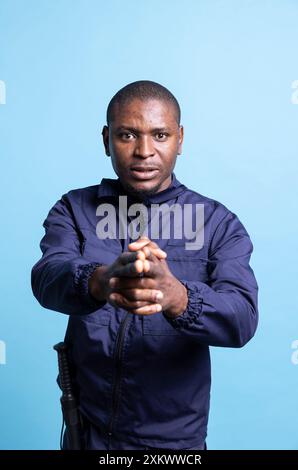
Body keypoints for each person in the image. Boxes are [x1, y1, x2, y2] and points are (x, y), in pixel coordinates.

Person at [31, 80, 259, 450]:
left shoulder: (217, 223)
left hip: (173, 446)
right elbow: (46, 278)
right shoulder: (73, 208)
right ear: (106, 139)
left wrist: (178, 298)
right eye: (127, 135)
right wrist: (98, 281)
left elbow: (242, 319)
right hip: (86, 436)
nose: (144, 151)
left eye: (160, 135)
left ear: (180, 139)